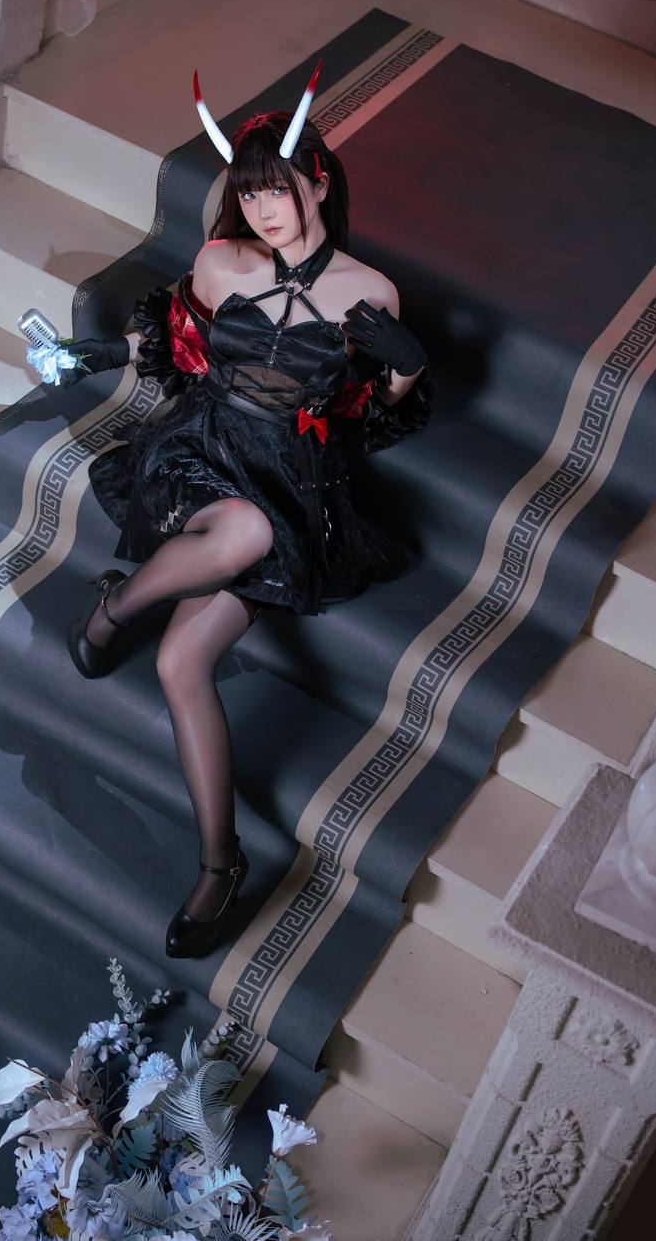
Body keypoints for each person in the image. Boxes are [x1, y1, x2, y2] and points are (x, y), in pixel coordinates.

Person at [63, 60, 434, 961]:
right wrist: (104, 353)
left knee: (181, 658)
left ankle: (218, 862)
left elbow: (372, 411)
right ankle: (115, 609)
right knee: (240, 528)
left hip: (291, 479)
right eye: (248, 191)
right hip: (199, 452)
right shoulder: (221, 262)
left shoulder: (370, 290)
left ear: (318, 182)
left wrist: (406, 365)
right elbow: (171, 338)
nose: (263, 208)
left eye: (278, 188)